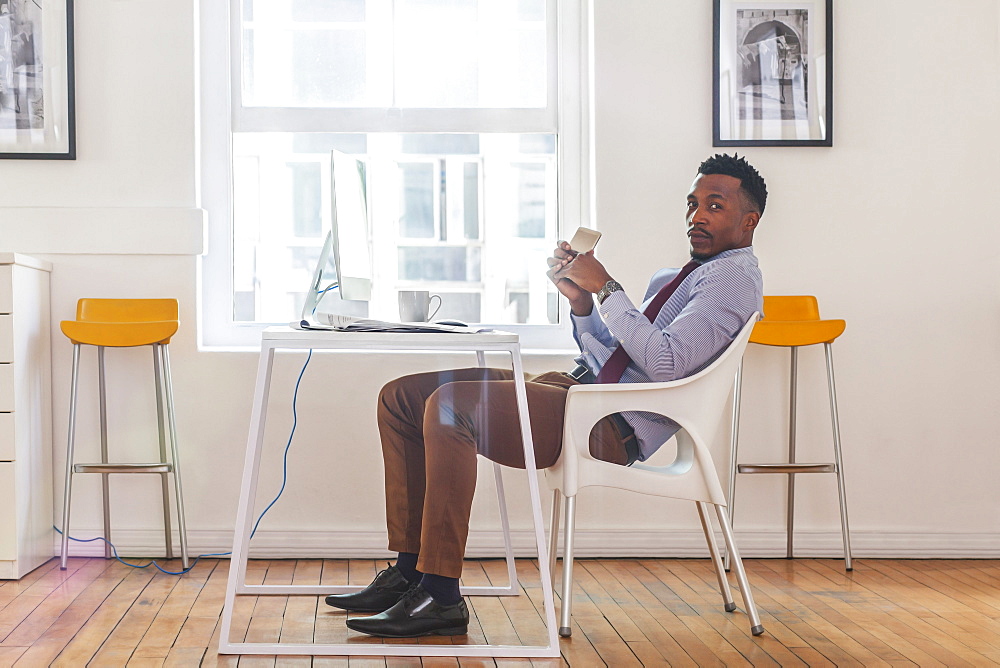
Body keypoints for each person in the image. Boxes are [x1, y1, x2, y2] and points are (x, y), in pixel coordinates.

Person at [325, 153, 766, 638]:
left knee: (450, 406)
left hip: (606, 425)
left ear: (750, 220)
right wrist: (582, 302)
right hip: (580, 393)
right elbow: (622, 359)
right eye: (693, 203)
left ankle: (440, 593)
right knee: (401, 397)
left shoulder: (732, 278)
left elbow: (665, 363)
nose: (696, 216)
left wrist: (609, 289)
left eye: (715, 206)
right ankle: (410, 571)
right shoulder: (680, 276)